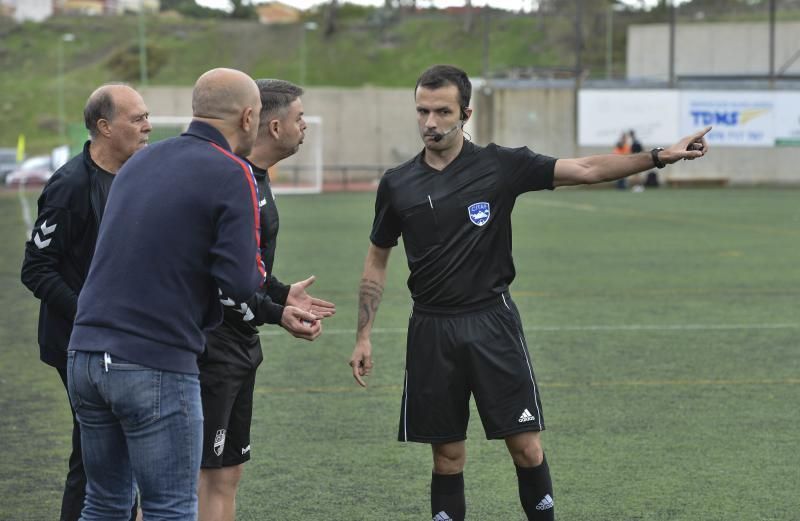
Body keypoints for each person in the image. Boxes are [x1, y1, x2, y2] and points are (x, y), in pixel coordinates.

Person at [348, 64, 710, 521]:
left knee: (526, 447)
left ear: (466, 113)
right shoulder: (397, 183)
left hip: (492, 323)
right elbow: (377, 256)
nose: (430, 122)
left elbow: (584, 168)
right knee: (447, 458)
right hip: (431, 328)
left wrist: (658, 156)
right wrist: (363, 335)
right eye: (422, 111)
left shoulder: (500, 165)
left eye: (442, 111)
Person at [66, 68, 268, 520]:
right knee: (171, 508)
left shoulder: (140, 160)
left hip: (84, 354)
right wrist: (275, 298)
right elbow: (241, 281)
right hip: (154, 360)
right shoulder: (232, 171)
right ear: (249, 116)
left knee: (104, 503)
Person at [197, 78, 336, 521]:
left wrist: (278, 291)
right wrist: (278, 312)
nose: (304, 128)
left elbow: (246, 267)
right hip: (211, 346)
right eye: (299, 119)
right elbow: (221, 279)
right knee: (189, 480)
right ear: (273, 127)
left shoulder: (256, 178)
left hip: (239, 343)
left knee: (226, 475)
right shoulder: (227, 178)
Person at [20, 83, 151, 521]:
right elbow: (36, 269)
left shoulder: (137, 174)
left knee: (120, 448)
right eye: (137, 119)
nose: (148, 126)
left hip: (125, 339)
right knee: (95, 454)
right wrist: (92, 315)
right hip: (79, 343)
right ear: (103, 127)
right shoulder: (71, 187)